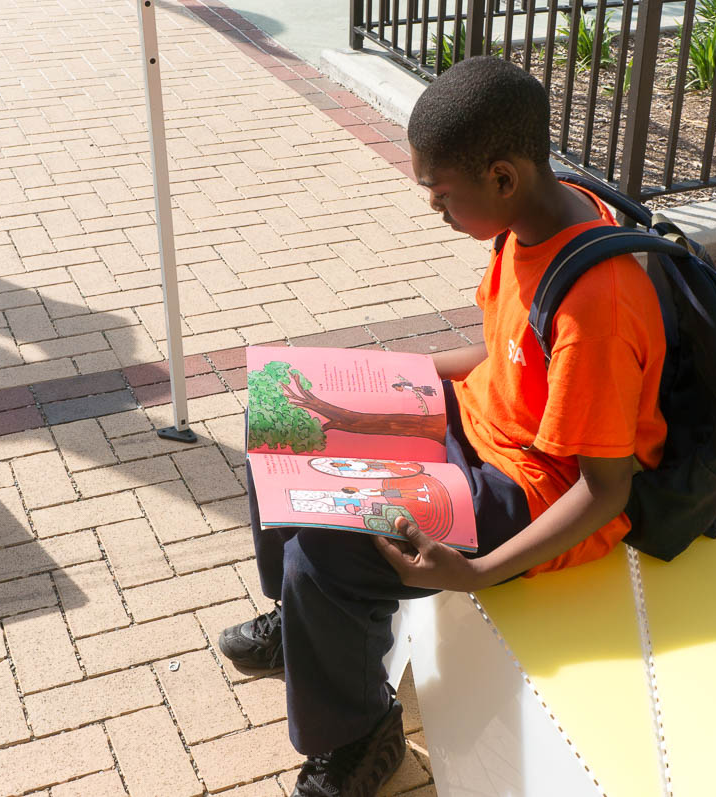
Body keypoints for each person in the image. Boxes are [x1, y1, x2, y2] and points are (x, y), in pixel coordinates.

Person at [217, 56, 667, 797]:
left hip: (529, 490)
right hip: (480, 425)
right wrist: (402, 378)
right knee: (283, 411)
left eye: (443, 196)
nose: (437, 211)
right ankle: (303, 630)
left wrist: (479, 571)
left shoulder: (599, 302)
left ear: (501, 177)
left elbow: (606, 490)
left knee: (328, 548)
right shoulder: (534, 219)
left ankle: (362, 735)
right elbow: (507, 351)